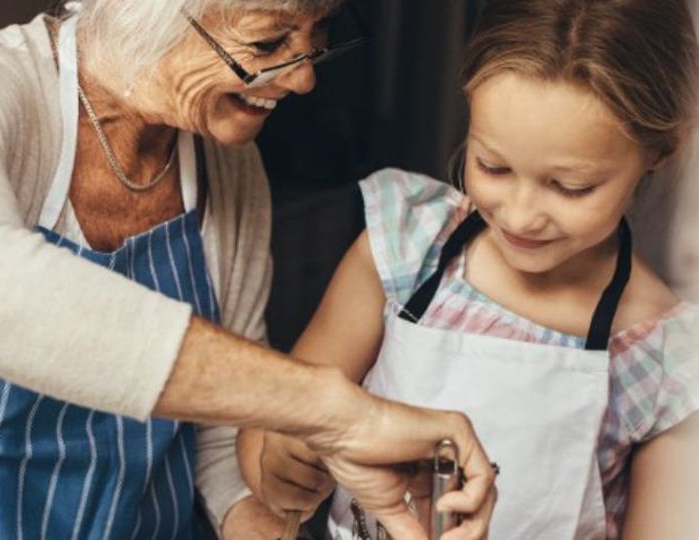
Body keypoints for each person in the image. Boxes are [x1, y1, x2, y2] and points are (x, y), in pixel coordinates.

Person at [0, 0, 496, 538]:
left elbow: (213, 438)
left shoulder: (229, 168)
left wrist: (272, 517)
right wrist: (332, 409)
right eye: (268, 42)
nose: (303, 77)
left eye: (317, 32)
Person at [238, 0, 699, 538]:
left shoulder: (666, 361)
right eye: (493, 166)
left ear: (662, 149)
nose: (521, 215)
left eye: (571, 187)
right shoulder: (406, 247)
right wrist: (278, 462)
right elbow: (271, 428)